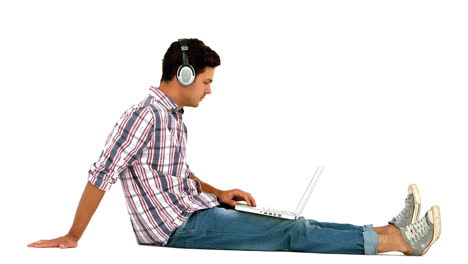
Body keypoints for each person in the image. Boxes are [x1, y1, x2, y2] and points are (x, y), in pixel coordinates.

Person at [28, 38, 441, 256]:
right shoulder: (145, 114)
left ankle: (388, 231)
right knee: (291, 231)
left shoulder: (170, 115)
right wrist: (73, 235)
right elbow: (103, 173)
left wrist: (218, 193)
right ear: (184, 74)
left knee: (292, 219)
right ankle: (401, 243)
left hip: (197, 211)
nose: (210, 90)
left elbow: (174, 172)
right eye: (206, 81)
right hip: (178, 230)